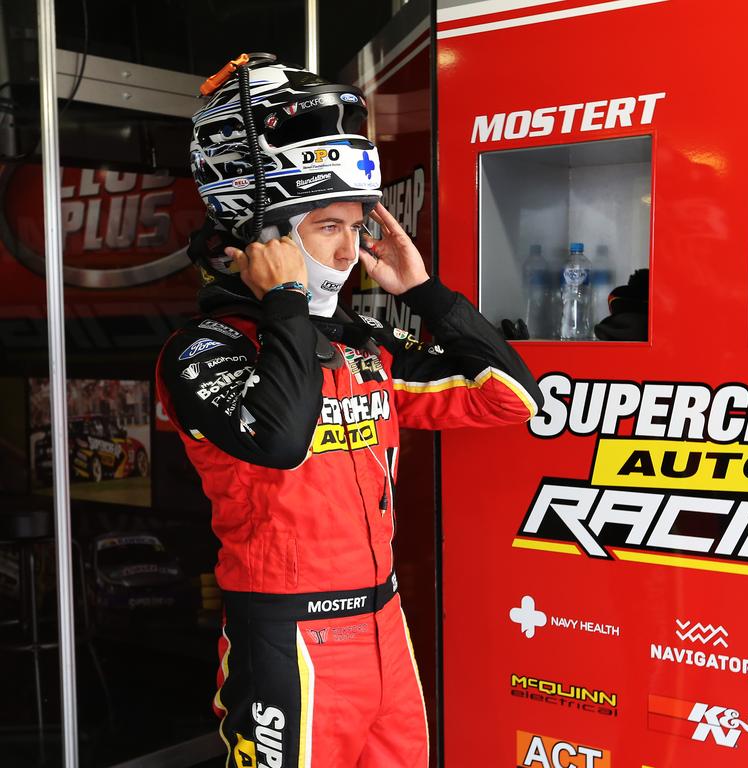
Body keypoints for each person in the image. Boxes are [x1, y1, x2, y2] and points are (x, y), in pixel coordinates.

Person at [156, 55, 541, 768]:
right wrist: (283, 302)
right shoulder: (201, 350)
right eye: (329, 224)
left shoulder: (359, 345)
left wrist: (423, 291)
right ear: (263, 239)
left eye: (358, 224)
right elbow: (279, 439)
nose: (352, 248)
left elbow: (509, 399)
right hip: (288, 637)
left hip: (384, 627)